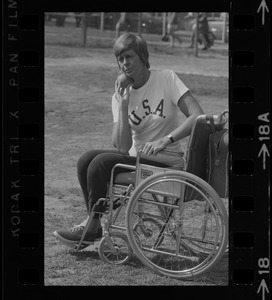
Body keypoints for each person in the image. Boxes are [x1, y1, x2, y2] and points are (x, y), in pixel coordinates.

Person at [53, 33, 204, 249]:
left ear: (143, 56)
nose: (125, 63)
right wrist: (123, 104)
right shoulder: (119, 96)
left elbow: (197, 116)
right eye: (120, 58)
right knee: (86, 159)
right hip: (139, 159)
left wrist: (166, 139)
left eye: (129, 56)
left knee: (100, 163)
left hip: (167, 161)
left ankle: (91, 227)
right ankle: (93, 224)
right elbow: (122, 146)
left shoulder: (166, 78)